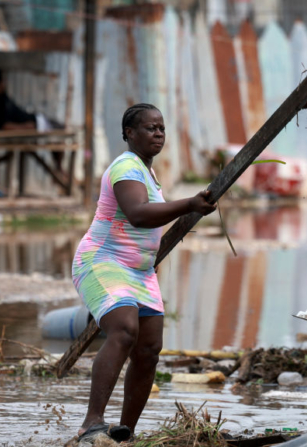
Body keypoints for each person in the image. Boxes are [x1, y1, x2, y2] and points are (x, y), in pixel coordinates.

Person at [72, 104, 217, 442]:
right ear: (128, 133)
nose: (158, 134)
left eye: (161, 128)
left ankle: (126, 432)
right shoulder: (125, 167)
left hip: (139, 272)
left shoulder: (148, 173)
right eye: (150, 128)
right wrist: (190, 204)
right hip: (102, 262)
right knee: (124, 330)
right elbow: (137, 214)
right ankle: (91, 422)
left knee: (149, 349)